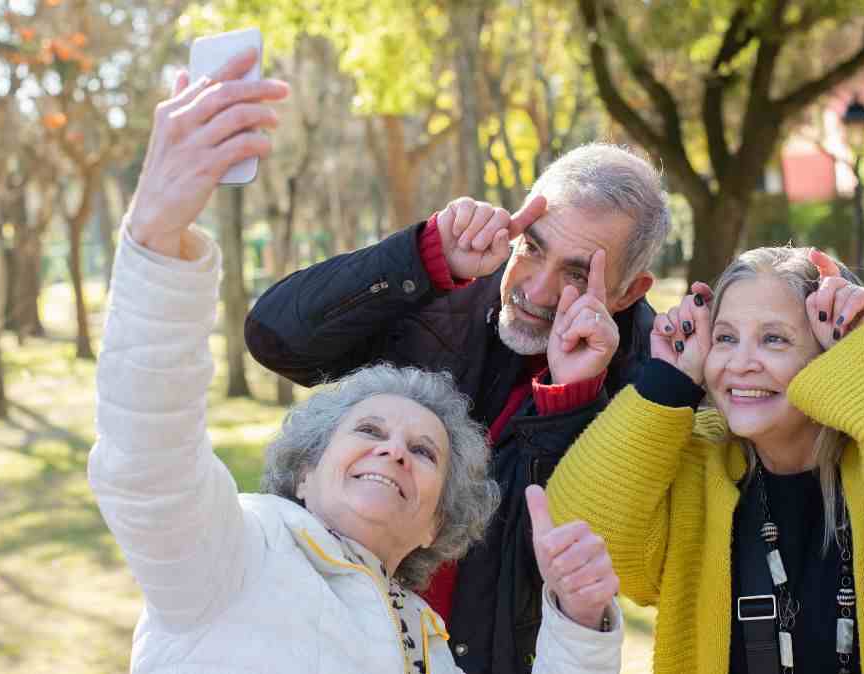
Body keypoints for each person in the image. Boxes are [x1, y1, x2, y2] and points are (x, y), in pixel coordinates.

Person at [89, 50, 624, 674]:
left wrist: (581, 625)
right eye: (369, 431)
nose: (394, 451)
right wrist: (156, 241)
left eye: (424, 452)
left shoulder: (426, 646)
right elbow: (146, 463)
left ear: (437, 526)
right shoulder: (233, 555)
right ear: (305, 473)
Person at [245, 134, 670, 669]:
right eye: (533, 247)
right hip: (330, 642)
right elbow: (276, 339)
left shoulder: (651, 385)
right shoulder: (443, 287)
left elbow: (562, 556)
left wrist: (570, 400)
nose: (536, 291)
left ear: (629, 293)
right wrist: (423, 255)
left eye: (577, 274)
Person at [546, 246, 864, 674]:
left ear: (832, 355)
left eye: (774, 340)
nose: (741, 363)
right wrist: (666, 383)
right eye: (725, 338)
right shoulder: (697, 463)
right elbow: (582, 535)